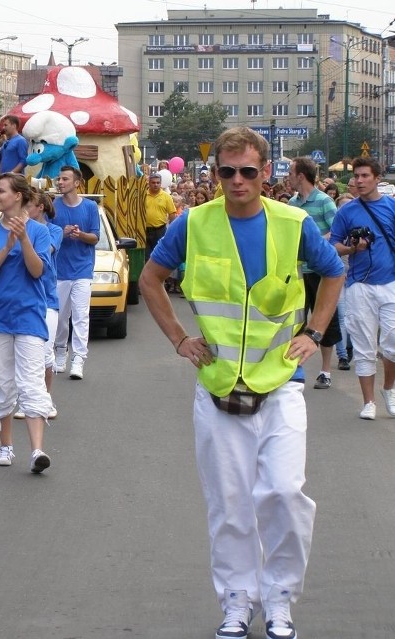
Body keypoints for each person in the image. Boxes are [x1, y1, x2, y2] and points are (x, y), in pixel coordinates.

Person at [139, 126, 345, 639]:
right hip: (217, 388)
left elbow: (334, 272)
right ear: (215, 174)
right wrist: (180, 340)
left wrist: (313, 332)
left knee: (284, 492)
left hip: (281, 386)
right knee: (229, 502)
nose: (237, 181)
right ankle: (237, 597)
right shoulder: (193, 224)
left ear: (266, 172)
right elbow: (150, 279)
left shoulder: (294, 224)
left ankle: (279, 597)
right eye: (226, 171)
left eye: (248, 171)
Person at [0, 173, 53, 473]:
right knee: (2, 383)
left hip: (29, 315)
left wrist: (23, 239)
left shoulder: (39, 232)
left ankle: (37, 452)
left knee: (32, 383)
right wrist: (7, 246)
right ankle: (5, 447)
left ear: (18, 196)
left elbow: (37, 271)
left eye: (2, 190)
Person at [328, 156, 395, 420]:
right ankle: (368, 403)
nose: (359, 181)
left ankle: (388, 389)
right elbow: (333, 245)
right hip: (359, 285)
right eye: (356, 176)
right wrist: (354, 247)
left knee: (392, 343)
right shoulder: (347, 211)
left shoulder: (391, 207)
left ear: (377, 178)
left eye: (365, 176)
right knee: (364, 344)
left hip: (390, 283)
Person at [287, 157, 342, 391]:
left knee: (324, 322)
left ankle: (325, 371)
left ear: (301, 176)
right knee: (294, 320)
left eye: (290, 173)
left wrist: (315, 242)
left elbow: (338, 232)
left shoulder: (324, 201)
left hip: (321, 271)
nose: (287, 177)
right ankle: (291, 369)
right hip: (297, 271)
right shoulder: (291, 202)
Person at [15, 188, 62, 420]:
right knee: (26, 353)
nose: (25, 210)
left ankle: (45, 398)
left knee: (44, 353)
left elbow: (46, 251)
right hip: (25, 297)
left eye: (29, 206)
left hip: (48, 297)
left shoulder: (53, 231)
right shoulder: (16, 227)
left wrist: (24, 236)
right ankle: (28, 400)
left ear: (40, 208)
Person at [50, 166, 100, 380]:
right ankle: (61, 350)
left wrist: (80, 235)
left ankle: (79, 359)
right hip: (60, 270)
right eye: (59, 179)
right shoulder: (53, 206)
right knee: (61, 316)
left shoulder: (89, 207)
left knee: (81, 316)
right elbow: (48, 235)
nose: (60, 182)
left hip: (82, 270)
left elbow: (95, 237)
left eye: (65, 179)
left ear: (76, 183)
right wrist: (63, 233)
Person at [144, 172, 176, 261]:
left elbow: (172, 214)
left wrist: (171, 230)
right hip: (145, 230)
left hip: (160, 230)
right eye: (153, 182)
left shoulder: (166, 197)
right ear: (149, 183)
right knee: (146, 256)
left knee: (159, 255)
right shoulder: (143, 195)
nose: (156, 185)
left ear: (161, 184)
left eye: (158, 183)